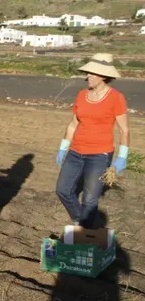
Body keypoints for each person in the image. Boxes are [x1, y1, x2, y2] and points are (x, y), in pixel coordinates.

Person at [55, 53, 129, 228]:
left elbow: (124, 129)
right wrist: (63, 147)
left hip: (99, 155)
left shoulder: (116, 98)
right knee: (63, 190)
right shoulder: (82, 95)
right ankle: (81, 221)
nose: (87, 76)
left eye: (91, 73)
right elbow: (73, 124)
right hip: (75, 152)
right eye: (87, 72)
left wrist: (122, 157)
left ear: (103, 76)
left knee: (90, 198)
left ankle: (85, 233)